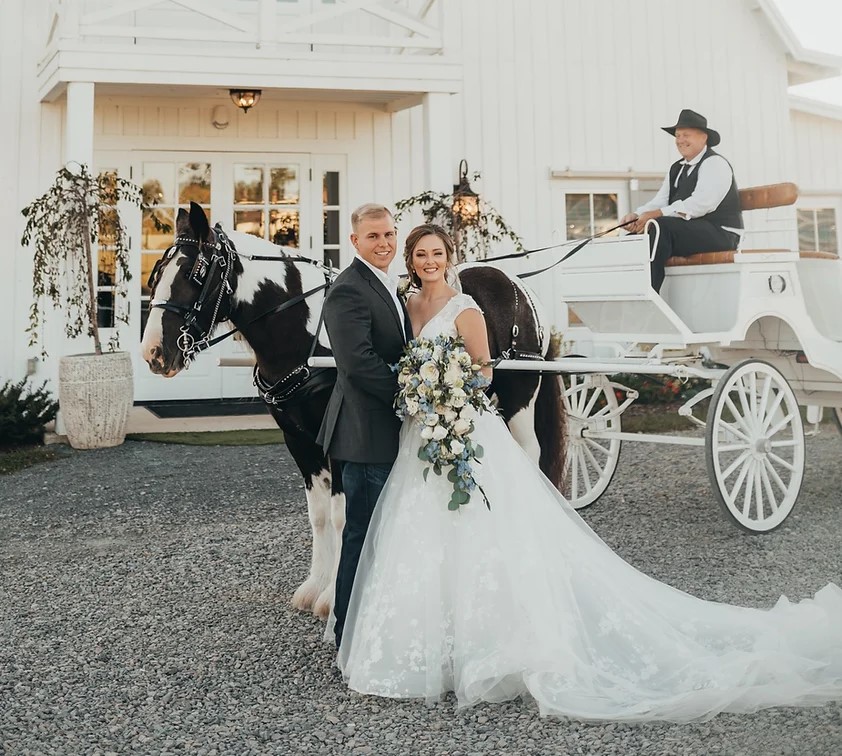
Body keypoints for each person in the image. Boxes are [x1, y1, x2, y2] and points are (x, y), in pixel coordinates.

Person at [335, 224, 842, 723]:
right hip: (421, 435)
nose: (429, 261)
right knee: (421, 534)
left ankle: (492, 643)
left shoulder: (465, 308)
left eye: (437, 252)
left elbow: (484, 370)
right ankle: (429, 644)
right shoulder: (408, 304)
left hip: (462, 424)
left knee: (478, 529)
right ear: (411, 259)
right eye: (421, 253)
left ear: (450, 256)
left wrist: (446, 389)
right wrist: (423, 391)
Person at [316, 203, 413, 649]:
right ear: (354, 241)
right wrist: (414, 396)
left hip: (382, 431)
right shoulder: (348, 289)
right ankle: (346, 632)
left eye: (390, 234)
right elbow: (358, 365)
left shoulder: (386, 284)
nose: (384, 243)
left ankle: (371, 624)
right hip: (364, 433)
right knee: (362, 532)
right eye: (373, 236)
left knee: (385, 532)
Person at [620, 109, 744, 292]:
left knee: (660, 227)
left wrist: (655, 215)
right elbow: (661, 201)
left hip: (722, 233)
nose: (680, 140)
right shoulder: (676, 168)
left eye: (686, 135)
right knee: (633, 240)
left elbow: (702, 204)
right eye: (677, 135)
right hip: (694, 230)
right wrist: (637, 216)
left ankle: (649, 292)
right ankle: (629, 291)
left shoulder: (715, 163)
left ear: (704, 138)